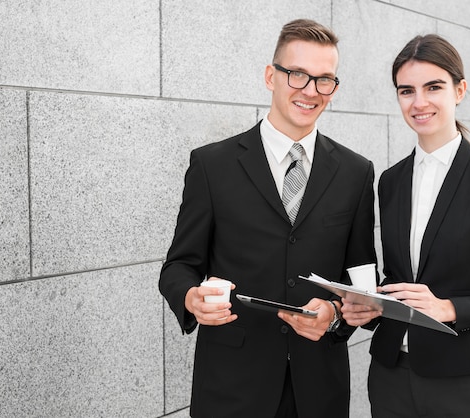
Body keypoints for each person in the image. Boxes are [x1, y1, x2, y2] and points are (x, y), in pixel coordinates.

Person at [159, 19, 376, 418]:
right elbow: (178, 267)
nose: (310, 91)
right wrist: (191, 298)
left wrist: (333, 316)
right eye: (297, 74)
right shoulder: (212, 165)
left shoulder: (356, 172)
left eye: (324, 79)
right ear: (270, 76)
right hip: (231, 387)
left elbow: (360, 279)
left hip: (319, 390)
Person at [341, 34, 470, 417]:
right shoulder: (391, 180)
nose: (419, 102)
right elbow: (400, 277)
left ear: (459, 90)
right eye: (406, 91)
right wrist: (369, 304)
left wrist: (448, 307)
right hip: (389, 374)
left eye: (433, 87)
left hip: (461, 377)